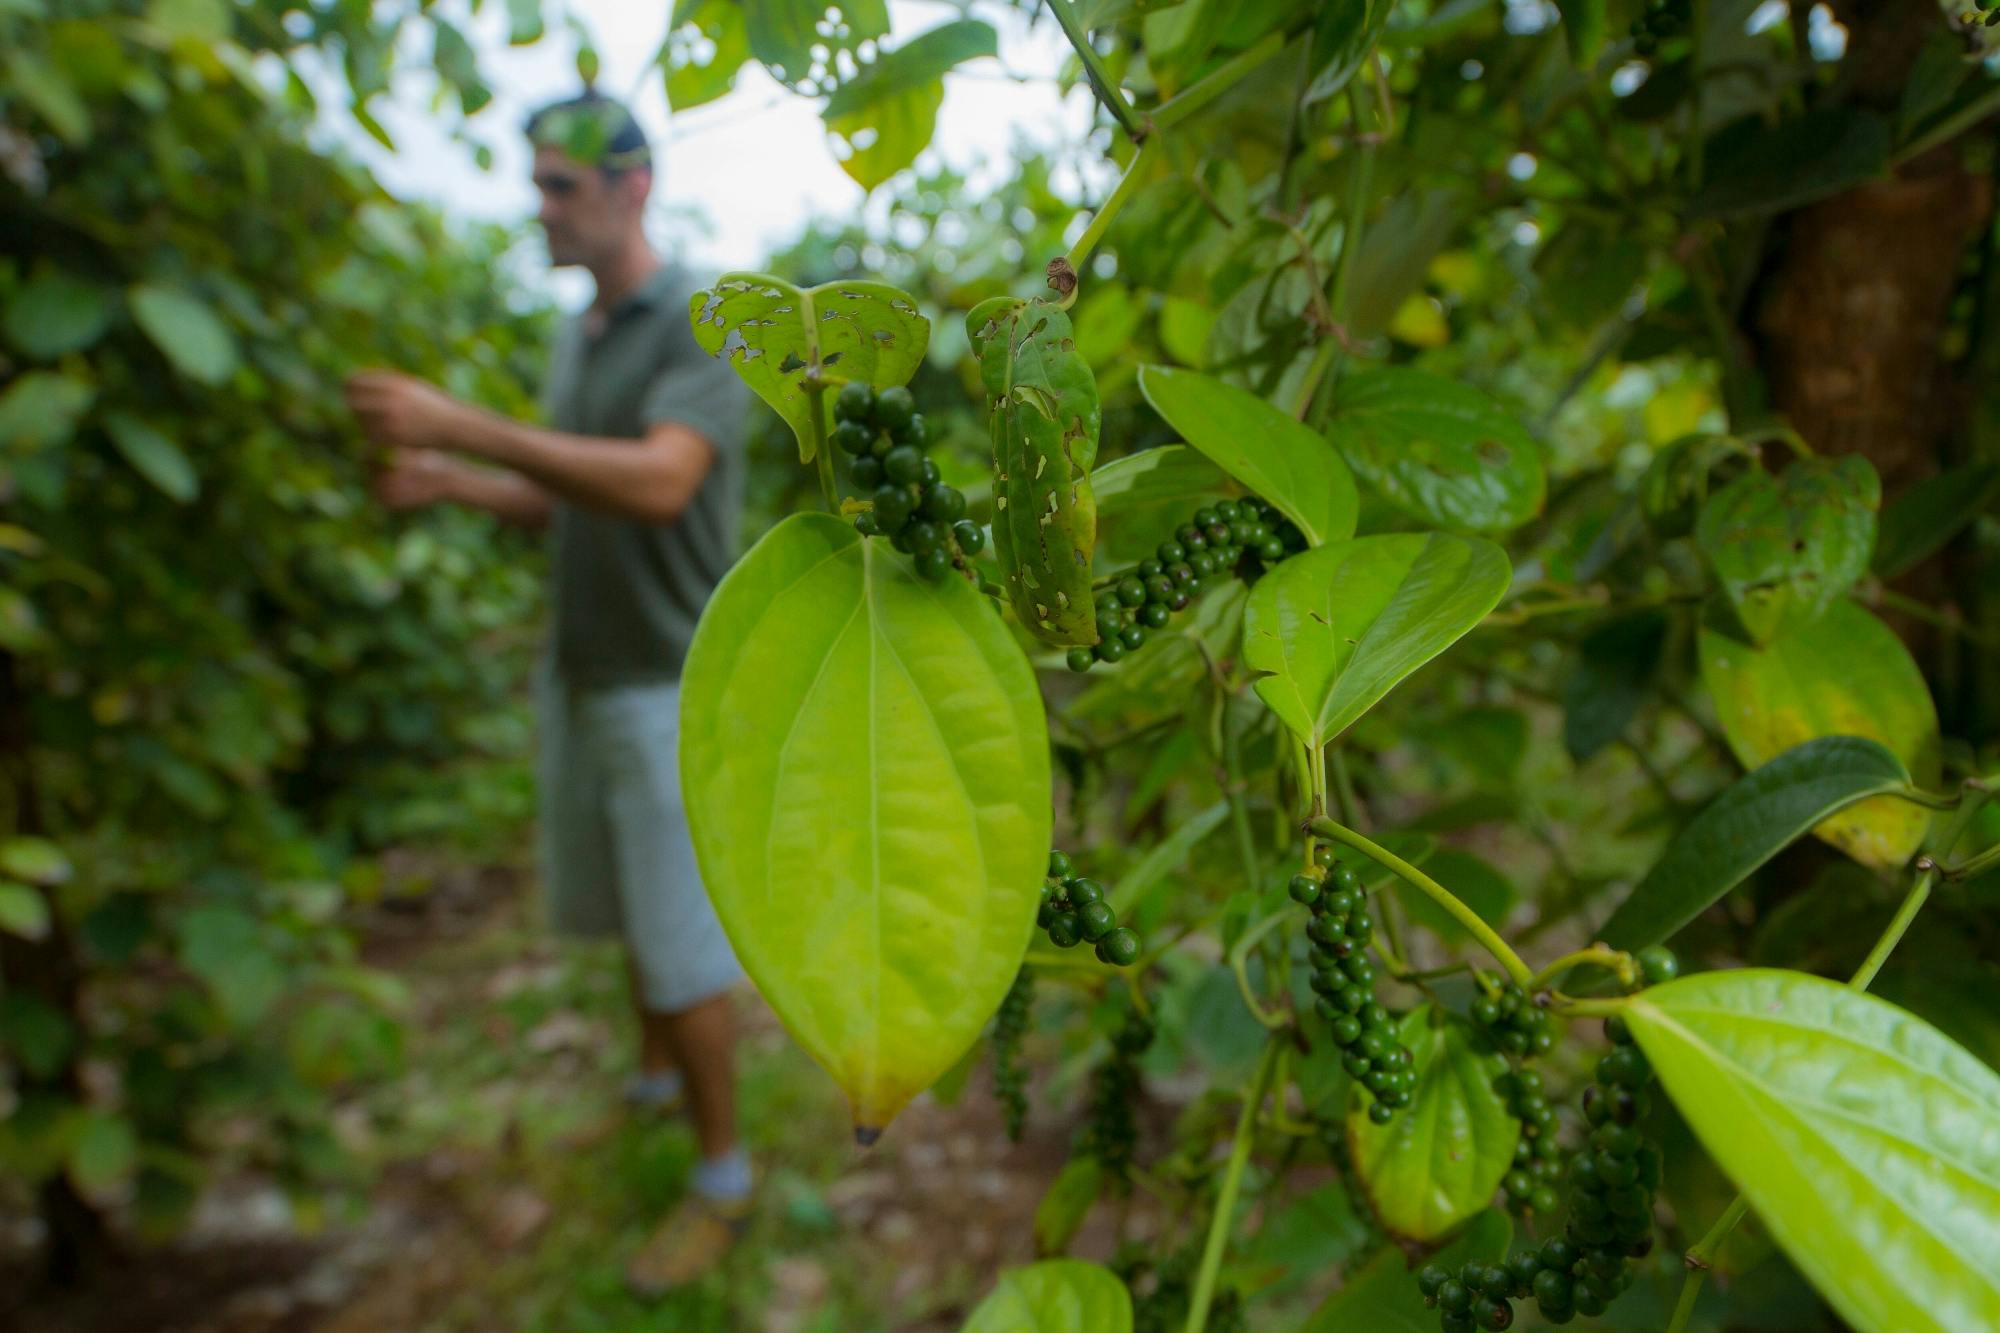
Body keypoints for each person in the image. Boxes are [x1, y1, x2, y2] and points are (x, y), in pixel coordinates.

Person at [345, 91, 753, 1297]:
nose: (539, 206)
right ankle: (648, 1082)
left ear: (631, 188)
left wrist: (462, 420)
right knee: (629, 906)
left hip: (665, 684)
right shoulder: (580, 337)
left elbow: (660, 484)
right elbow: (563, 496)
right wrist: (457, 478)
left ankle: (722, 1175)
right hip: (582, 673)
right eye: (533, 182)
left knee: (680, 948)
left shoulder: (699, 319)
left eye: (559, 184)